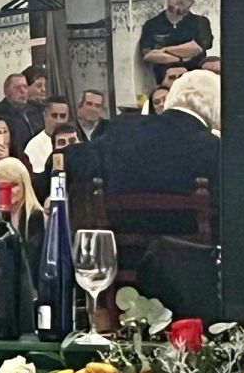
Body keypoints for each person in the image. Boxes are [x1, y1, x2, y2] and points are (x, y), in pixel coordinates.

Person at [90, 70, 221, 260]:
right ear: (216, 105)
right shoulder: (212, 147)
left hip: (123, 257)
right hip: (190, 261)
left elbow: (73, 159)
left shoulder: (122, 130)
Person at [138, 0, 213, 84]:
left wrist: (164, 50)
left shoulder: (200, 22)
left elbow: (196, 48)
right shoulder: (152, 24)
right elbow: (147, 55)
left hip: (195, 81)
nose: (181, 0)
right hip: (164, 84)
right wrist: (182, 58)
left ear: (191, 3)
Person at [0, 157, 45, 291]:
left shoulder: (35, 217)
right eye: (4, 186)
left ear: (24, 185)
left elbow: (31, 263)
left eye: (14, 185)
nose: (10, 191)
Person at [0, 73, 40, 149]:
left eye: (25, 87)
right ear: (6, 92)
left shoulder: (34, 108)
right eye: (17, 88)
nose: (22, 91)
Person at [23, 96, 72, 174]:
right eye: (54, 115)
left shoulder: (76, 141)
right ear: (44, 115)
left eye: (62, 116)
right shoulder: (34, 146)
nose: (59, 121)